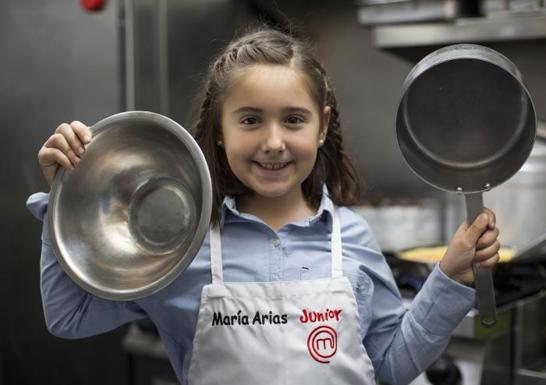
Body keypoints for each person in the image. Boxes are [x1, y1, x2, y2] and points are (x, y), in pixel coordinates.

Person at [27, 27, 500, 385]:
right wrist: (65, 201)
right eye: (251, 120)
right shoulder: (182, 244)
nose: (273, 143)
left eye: (293, 119)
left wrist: (448, 278)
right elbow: (69, 318)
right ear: (219, 128)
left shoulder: (351, 238)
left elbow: (391, 366)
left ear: (321, 125)